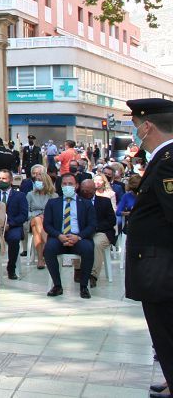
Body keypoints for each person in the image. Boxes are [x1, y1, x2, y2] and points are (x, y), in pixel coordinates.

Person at [123, 99, 173, 398]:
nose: (134, 131)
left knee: (165, 328)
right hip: (158, 262)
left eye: (135, 125)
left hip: (161, 266)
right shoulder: (162, 158)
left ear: (147, 126)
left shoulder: (168, 160)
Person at [42, 174, 97, 299]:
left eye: (70, 184)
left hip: (79, 238)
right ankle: (57, 285)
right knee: (49, 249)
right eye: (65, 184)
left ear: (76, 186)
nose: (67, 187)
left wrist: (78, 237)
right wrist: (59, 235)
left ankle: (84, 286)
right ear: (61, 186)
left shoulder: (86, 204)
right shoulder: (52, 203)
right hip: (59, 237)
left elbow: (92, 225)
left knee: (88, 249)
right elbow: (47, 225)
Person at [79, 178, 116, 288]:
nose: (86, 194)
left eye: (89, 191)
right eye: (84, 191)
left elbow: (111, 221)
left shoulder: (105, 201)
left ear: (94, 190)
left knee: (95, 244)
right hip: (83, 232)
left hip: (101, 232)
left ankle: (92, 275)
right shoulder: (78, 201)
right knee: (77, 241)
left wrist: (94, 228)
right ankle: (79, 270)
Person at [0, 170, 28, 281]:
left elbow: (23, 215)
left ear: (10, 180)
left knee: (14, 239)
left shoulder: (20, 195)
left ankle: (11, 268)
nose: (1, 181)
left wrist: (10, 224)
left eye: (4, 178)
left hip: (13, 226)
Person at [26, 166, 57, 270]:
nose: (37, 182)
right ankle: (49, 246)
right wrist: (37, 215)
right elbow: (26, 212)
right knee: (37, 220)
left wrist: (45, 216)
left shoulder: (54, 196)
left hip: (48, 222)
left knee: (36, 229)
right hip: (32, 219)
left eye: (40, 180)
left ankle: (40, 259)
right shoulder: (30, 194)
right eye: (36, 180)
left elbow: (56, 213)